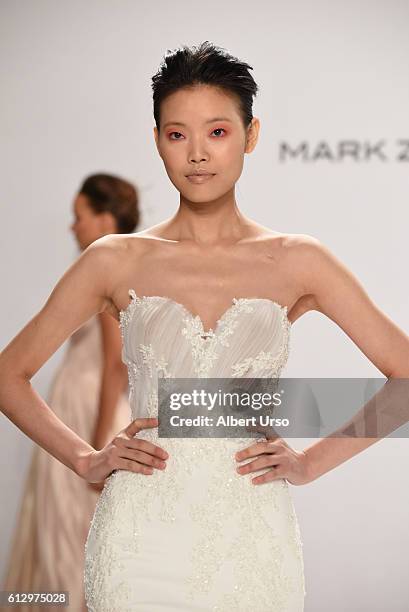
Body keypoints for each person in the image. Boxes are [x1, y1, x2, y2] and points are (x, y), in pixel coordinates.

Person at [1, 41, 408, 611]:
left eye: (217, 132)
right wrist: (85, 459)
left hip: (252, 532)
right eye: (176, 134)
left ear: (251, 134)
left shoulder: (298, 259)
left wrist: (311, 463)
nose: (196, 154)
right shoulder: (114, 260)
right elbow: (8, 375)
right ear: (157, 141)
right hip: (140, 533)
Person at [2, 173, 139, 612]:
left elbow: (116, 362)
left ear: (103, 219)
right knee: (71, 537)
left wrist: (98, 446)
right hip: (83, 414)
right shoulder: (121, 266)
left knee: (71, 539)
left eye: (78, 217)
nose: (72, 227)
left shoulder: (106, 268)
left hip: (87, 419)